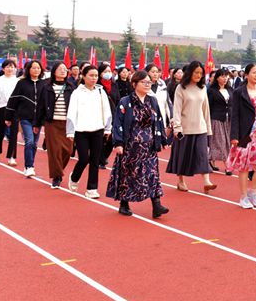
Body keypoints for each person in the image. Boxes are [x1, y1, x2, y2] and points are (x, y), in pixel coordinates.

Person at [108, 70, 169, 218]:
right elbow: (118, 123)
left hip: (149, 146)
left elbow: (158, 121)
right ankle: (124, 203)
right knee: (128, 174)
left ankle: (156, 204)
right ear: (134, 84)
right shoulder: (125, 102)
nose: (147, 85)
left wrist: (162, 140)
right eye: (144, 82)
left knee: (152, 174)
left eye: (149, 82)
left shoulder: (152, 101)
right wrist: (118, 143)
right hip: (131, 146)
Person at [167, 61, 217, 193]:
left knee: (202, 155)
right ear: (190, 72)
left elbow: (206, 109)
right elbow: (177, 109)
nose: (199, 75)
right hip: (185, 129)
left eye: (201, 73)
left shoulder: (203, 88)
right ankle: (181, 181)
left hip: (200, 128)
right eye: (196, 72)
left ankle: (207, 181)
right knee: (183, 156)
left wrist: (208, 128)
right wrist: (177, 127)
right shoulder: (180, 88)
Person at [227, 63, 256, 208]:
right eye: (254, 72)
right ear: (246, 75)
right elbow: (235, 115)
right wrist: (234, 135)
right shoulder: (239, 92)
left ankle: (253, 191)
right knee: (244, 166)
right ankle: (243, 196)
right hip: (245, 133)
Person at [67, 64, 113, 198]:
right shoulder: (77, 93)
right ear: (83, 76)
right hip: (81, 130)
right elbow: (71, 112)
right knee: (84, 159)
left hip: (98, 130)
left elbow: (107, 111)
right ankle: (74, 177)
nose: (94, 78)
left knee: (95, 160)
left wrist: (107, 128)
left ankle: (92, 188)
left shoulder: (101, 92)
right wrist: (70, 131)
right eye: (91, 75)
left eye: (96, 76)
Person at [36, 62, 75, 189]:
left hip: (68, 123)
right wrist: (37, 124)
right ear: (54, 71)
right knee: (55, 151)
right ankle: (56, 177)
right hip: (52, 123)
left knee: (68, 151)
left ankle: (58, 170)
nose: (63, 71)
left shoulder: (71, 87)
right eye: (60, 69)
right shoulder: (46, 87)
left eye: (65, 69)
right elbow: (40, 106)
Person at [5, 60, 44, 177]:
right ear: (28, 69)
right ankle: (29, 166)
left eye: (38, 68)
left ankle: (30, 164)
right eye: (34, 68)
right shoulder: (22, 83)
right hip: (25, 117)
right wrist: (8, 117)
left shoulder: (44, 84)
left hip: (38, 119)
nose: (36, 70)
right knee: (29, 141)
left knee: (35, 144)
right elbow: (13, 100)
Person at [0, 59, 19, 164]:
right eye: (7, 67)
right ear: (3, 69)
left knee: (14, 133)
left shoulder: (17, 81)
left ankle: (12, 156)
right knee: (0, 132)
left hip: (14, 109)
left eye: (12, 67)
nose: (10, 69)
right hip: (2, 107)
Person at [207, 68, 232, 174]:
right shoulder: (211, 91)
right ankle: (228, 165)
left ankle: (208, 159)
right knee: (220, 142)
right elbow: (208, 106)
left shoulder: (230, 90)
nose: (225, 78)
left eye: (226, 76)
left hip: (228, 119)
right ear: (217, 78)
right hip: (216, 119)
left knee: (228, 142)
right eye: (222, 76)